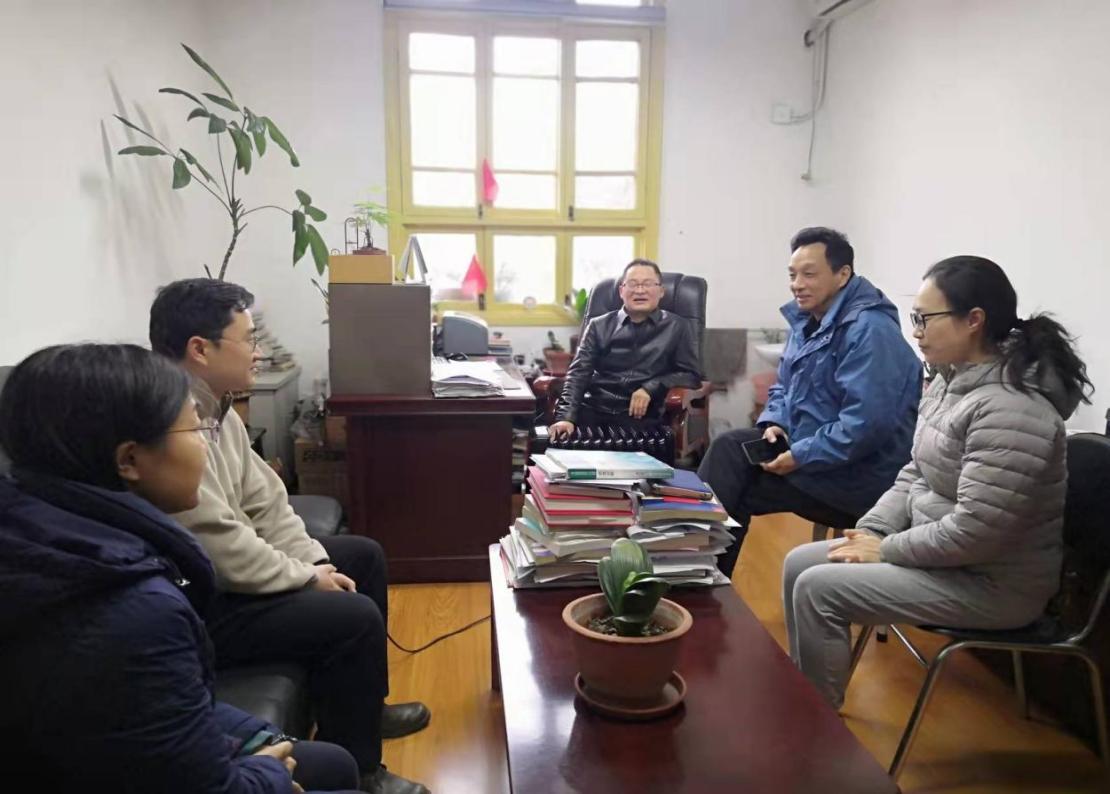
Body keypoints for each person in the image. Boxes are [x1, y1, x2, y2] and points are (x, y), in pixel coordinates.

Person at [0, 343, 363, 793]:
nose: (205, 447)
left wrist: (260, 740)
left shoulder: (45, 528)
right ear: (129, 460)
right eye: (194, 429)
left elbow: (163, 709)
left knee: (330, 764)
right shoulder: (135, 611)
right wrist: (268, 773)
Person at [149, 279, 428, 794]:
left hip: (232, 574)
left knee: (362, 556)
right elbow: (215, 541)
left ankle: (366, 708)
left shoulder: (217, 409)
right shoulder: (169, 423)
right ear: (200, 349)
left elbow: (267, 502)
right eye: (248, 340)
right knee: (352, 616)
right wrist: (304, 579)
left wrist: (315, 563)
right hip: (205, 599)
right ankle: (362, 771)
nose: (258, 352)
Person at [782, 256, 1093, 708]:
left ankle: (817, 724)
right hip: (945, 559)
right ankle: (808, 701)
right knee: (799, 563)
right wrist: (874, 530)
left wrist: (886, 549)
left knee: (818, 589)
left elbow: (976, 532)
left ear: (973, 321)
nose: (916, 332)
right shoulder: (951, 383)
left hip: (993, 584)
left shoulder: (1013, 410)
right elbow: (915, 471)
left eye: (924, 319)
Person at [698, 227, 922, 578]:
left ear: (842, 274)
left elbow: (865, 427)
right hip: (817, 454)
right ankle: (703, 575)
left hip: (860, 479)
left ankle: (697, 576)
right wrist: (775, 422)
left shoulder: (870, 330)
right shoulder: (808, 322)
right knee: (730, 457)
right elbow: (783, 387)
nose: (797, 284)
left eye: (809, 274)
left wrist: (801, 455)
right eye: (792, 275)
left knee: (732, 476)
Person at [548, 259, 701, 440]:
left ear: (661, 291)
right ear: (621, 291)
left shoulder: (678, 326)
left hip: (643, 416)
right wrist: (566, 418)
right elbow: (579, 373)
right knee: (559, 443)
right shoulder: (598, 325)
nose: (640, 290)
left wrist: (651, 387)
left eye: (648, 284)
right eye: (633, 284)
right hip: (593, 410)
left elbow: (690, 375)